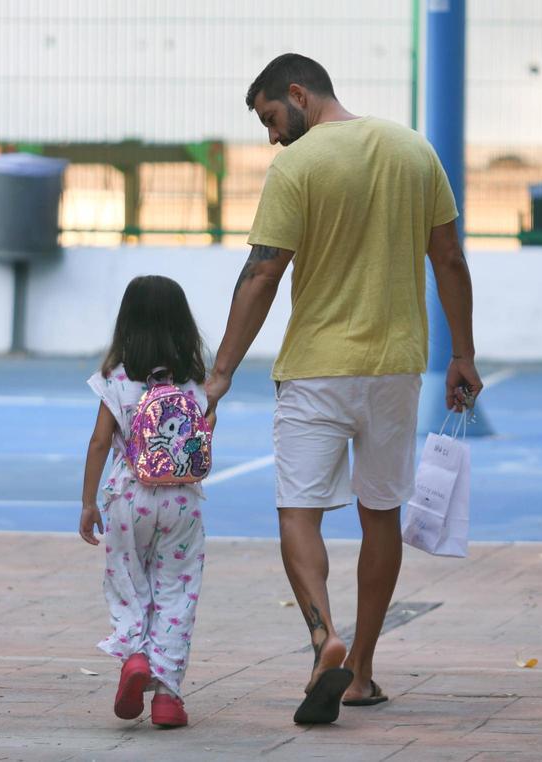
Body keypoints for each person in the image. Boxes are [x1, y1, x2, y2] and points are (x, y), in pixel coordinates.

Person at [204, 53, 483, 725]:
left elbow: (263, 274)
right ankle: (360, 670)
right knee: (379, 512)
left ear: (298, 94)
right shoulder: (415, 151)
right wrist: (464, 354)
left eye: (272, 118)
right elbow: (449, 258)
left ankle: (320, 635)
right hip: (396, 367)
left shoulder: (297, 167)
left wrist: (220, 373)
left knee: (298, 509)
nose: (272, 135)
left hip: (316, 370)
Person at [79, 274, 215, 729]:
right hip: (182, 501)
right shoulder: (197, 383)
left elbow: (100, 442)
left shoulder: (115, 379)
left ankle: (134, 655)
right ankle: (168, 696)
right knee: (177, 590)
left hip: (127, 496)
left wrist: (88, 503)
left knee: (128, 581)